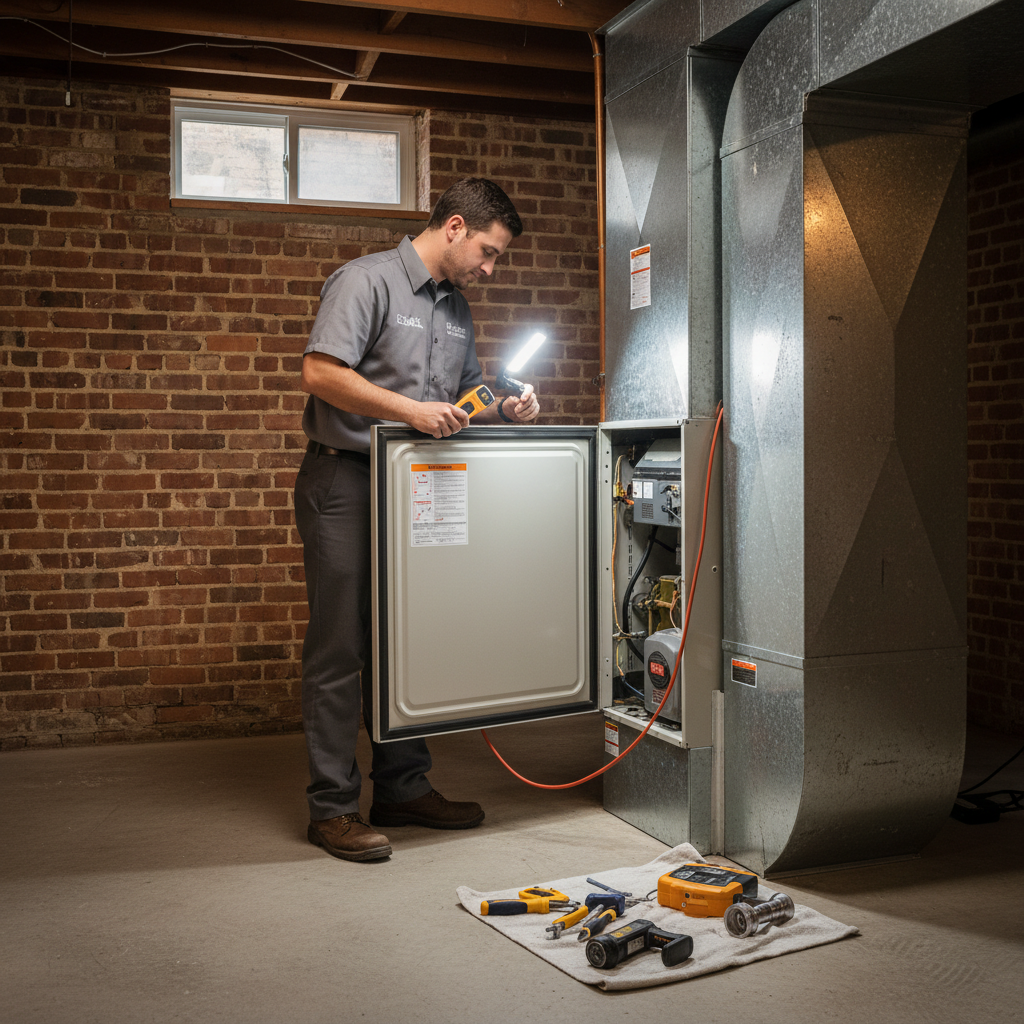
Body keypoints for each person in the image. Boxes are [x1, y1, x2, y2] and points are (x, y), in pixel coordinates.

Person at [294, 178, 541, 862]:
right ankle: (332, 809)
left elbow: (458, 398)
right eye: (489, 253)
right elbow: (319, 373)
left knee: (408, 639)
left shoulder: (456, 309)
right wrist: (407, 412)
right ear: (456, 227)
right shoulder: (366, 281)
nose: (490, 270)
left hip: (417, 486)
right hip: (344, 480)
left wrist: (503, 405)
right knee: (341, 649)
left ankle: (403, 788)